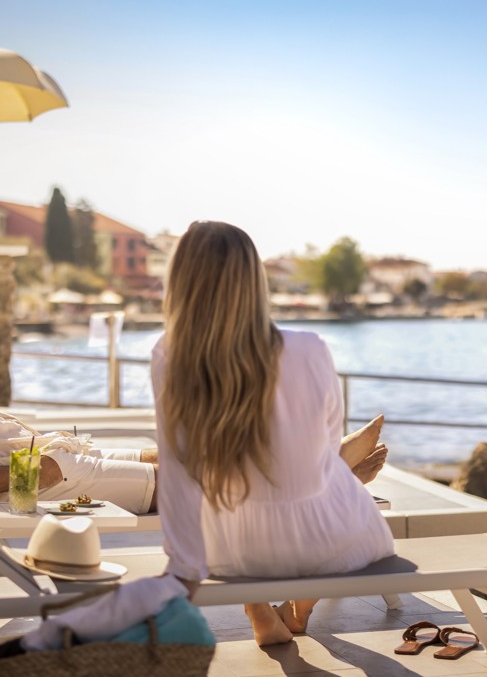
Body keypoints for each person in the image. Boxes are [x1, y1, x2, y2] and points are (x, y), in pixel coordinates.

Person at [0, 246, 386, 516]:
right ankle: (326, 479)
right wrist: (38, 474)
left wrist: (47, 457)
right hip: (42, 478)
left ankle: (317, 465)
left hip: (53, 457)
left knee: (180, 453)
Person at [152, 221, 395, 647]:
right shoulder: (310, 347)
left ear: (181, 283)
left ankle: (259, 610)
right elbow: (323, 442)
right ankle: (300, 604)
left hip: (232, 545)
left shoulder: (170, 353)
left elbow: (178, 468)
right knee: (326, 485)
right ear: (254, 281)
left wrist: (182, 564)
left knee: (232, 492)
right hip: (326, 534)